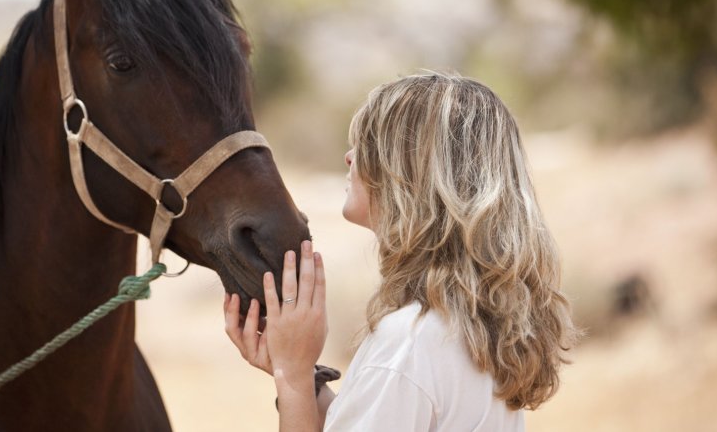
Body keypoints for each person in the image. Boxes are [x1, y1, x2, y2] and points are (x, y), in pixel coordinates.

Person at [224, 72, 579, 431]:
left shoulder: (408, 347)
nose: (349, 158)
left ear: (407, 173)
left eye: (366, 145)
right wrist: (302, 372)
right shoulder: (465, 331)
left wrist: (292, 378)